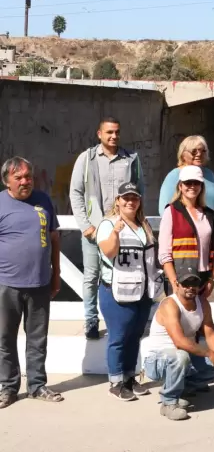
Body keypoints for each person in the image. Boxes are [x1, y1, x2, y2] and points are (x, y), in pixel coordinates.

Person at [69, 116, 144, 340]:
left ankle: (117, 318)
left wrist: (135, 223)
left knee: (120, 274)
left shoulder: (131, 159)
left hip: (122, 229)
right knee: (92, 275)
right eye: (109, 132)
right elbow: (76, 193)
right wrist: (85, 226)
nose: (114, 136)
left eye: (117, 132)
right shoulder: (87, 158)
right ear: (99, 134)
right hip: (94, 230)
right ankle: (91, 319)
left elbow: (140, 192)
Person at [0, 157, 63, 408]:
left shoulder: (44, 200)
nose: (25, 182)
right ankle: (8, 388)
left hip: (39, 283)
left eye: (28, 176)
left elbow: (54, 238)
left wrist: (56, 274)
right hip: (6, 284)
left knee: (37, 338)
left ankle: (37, 385)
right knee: (5, 339)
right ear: (7, 181)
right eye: (19, 178)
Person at [96, 181, 161, 401]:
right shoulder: (108, 223)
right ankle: (115, 382)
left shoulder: (144, 225)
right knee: (118, 337)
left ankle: (129, 377)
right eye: (126, 198)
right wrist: (115, 232)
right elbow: (108, 250)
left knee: (134, 336)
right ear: (118, 201)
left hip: (142, 291)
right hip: (116, 291)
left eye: (134, 198)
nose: (130, 202)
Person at [140, 270, 214, 421]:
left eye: (194, 284)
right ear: (177, 285)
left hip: (183, 357)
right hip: (157, 360)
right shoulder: (169, 304)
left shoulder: (202, 303)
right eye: (186, 284)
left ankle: (182, 389)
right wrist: (209, 353)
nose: (190, 288)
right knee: (181, 356)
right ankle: (169, 403)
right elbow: (179, 342)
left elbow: (210, 332)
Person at [158, 165, 214, 299]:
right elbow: (164, 253)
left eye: (196, 182)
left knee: (201, 319)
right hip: (180, 279)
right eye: (188, 183)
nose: (192, 186)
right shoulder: (171, 211)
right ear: (180, 186)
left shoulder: (209, 213)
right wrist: (175, 283)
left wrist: (211, 280)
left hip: (203, 280)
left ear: (202, 186)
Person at [158, 135, 214, 230]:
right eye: (194, 151)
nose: (199, 154)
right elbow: (164, 209)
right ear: (183, 154)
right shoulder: (174, 176)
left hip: (212, 235)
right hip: (186, 236)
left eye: (203, 151)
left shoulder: (209, 175)